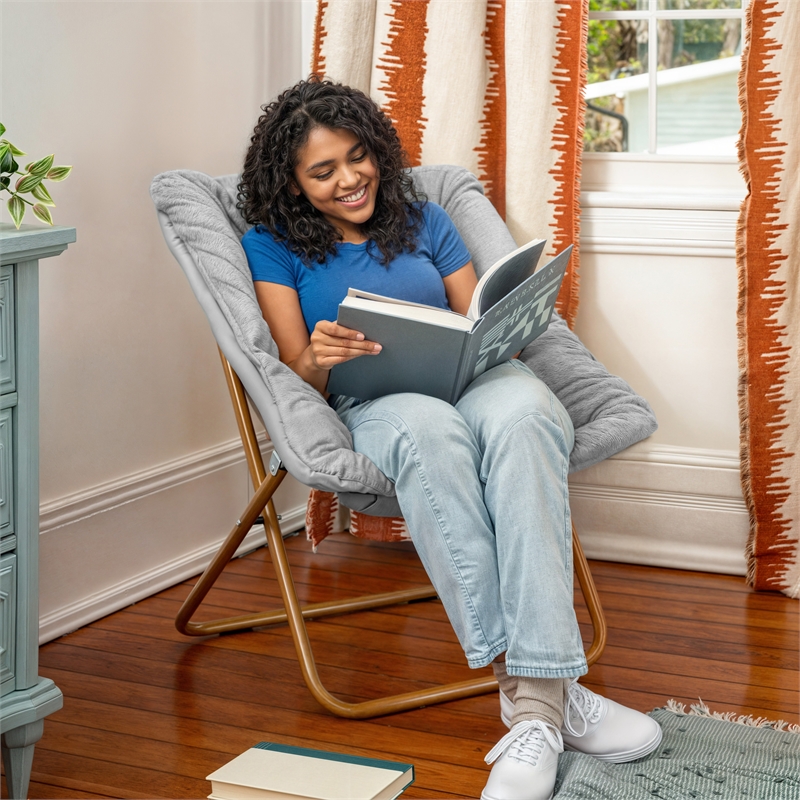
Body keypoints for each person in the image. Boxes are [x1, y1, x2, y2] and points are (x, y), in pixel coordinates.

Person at [237, 76, 661, 800]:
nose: (349, 179)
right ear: (294, 183)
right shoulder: (270, 246)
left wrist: (508, 322)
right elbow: (294, 372)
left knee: (528, 417)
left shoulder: (425, 217)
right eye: (323, 170)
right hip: (380, 396)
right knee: (431, 434)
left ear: (376, 148)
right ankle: (546, 698)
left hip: (476, 380)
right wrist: (320, 355)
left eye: (356, 156)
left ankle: (537, 709)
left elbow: (478, 322)